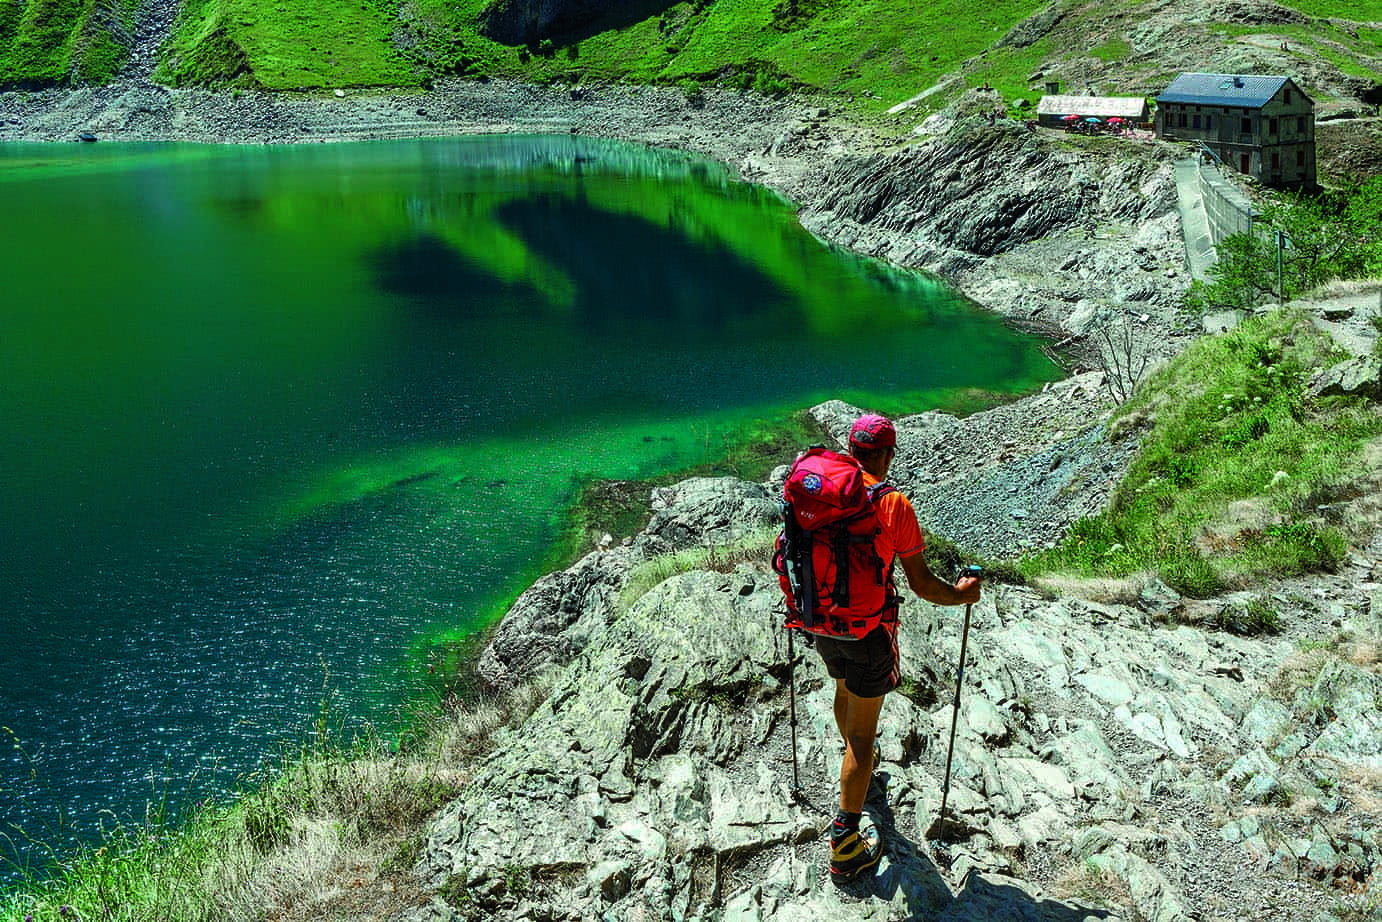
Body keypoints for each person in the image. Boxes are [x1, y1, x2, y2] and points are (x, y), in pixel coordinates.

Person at [819, 412, 982, 883]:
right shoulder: (893, 505)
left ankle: (854, 771)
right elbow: (923, 583)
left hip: (822, 621)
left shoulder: (823, 490)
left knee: (844, 689)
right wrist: (962, 594)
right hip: (867, 628)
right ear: (887, 454)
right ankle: (846, 845)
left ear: (851, 449)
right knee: (863, 739)